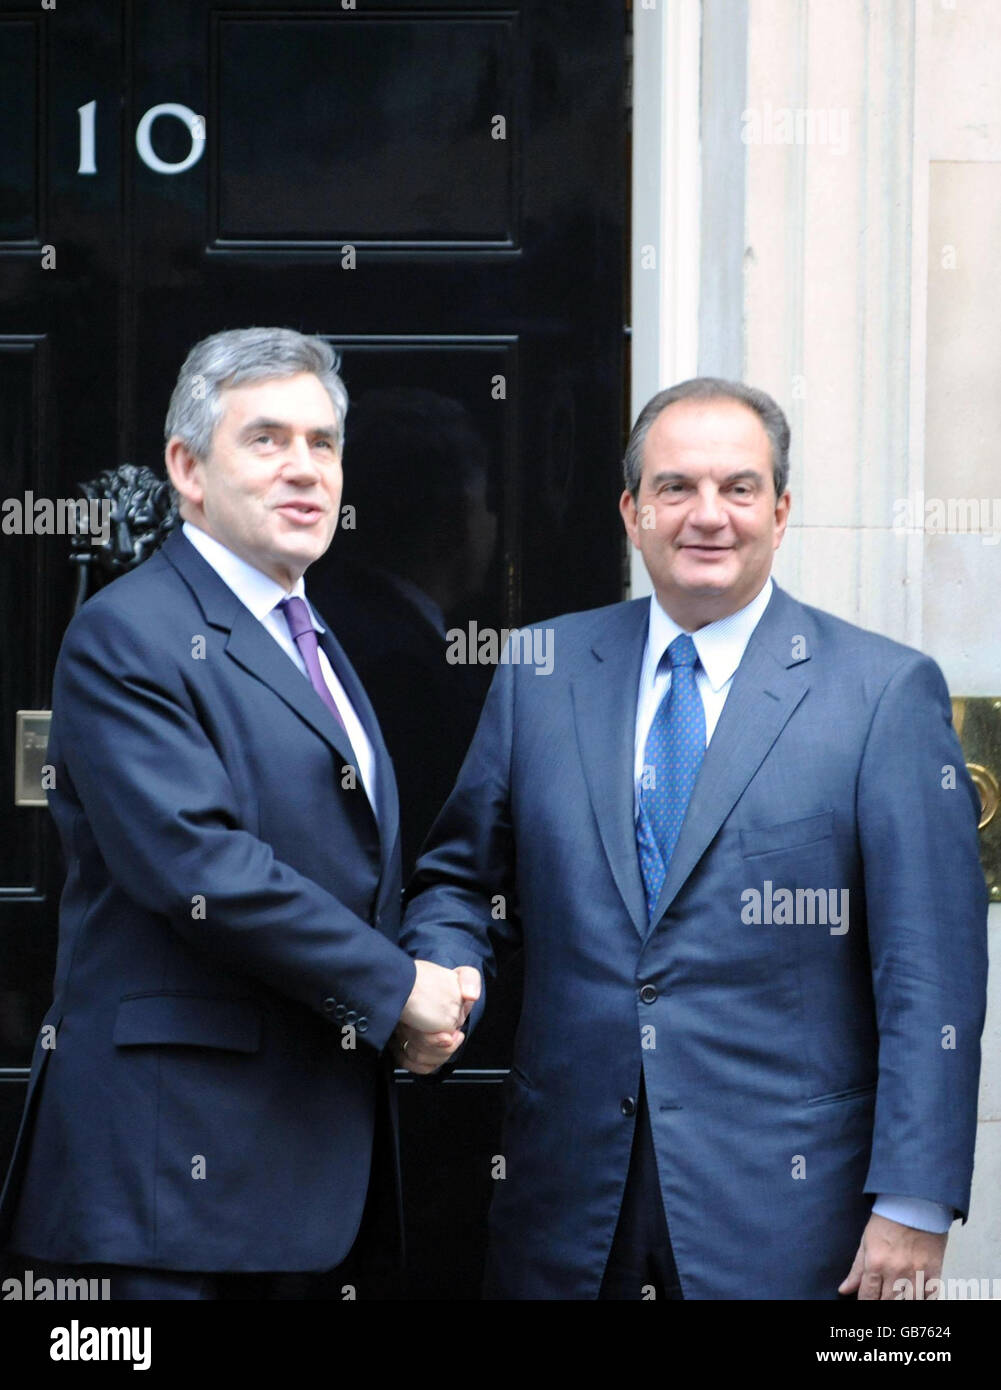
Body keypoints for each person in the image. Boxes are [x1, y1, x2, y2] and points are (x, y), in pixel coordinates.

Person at [396, 378, 988, 1300]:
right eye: (674, 488)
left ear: (781, 512)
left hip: (791, 1221)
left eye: (738, 489)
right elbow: (457, 879)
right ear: (632, 512)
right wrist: (448, 967)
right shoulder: (540, 672)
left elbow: (930, 973)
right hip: (567, 1204)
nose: (707, 516)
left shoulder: (880, 694)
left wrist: (912, 1202)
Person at [0, 326, 478, 1299]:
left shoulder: (316, 639)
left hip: (297, 1187)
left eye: (322, 443)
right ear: (187, 467)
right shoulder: (129, 632)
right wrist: (397, 992)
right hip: (172, 1192)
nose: (304, 468)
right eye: (266, 440)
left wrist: (445, 963)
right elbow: (201, 867)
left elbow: (363, 860)